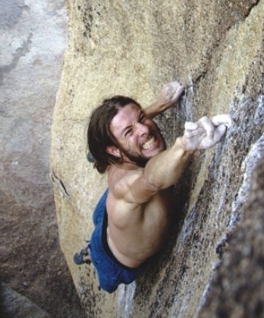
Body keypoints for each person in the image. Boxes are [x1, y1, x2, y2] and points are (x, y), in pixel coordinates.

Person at [74, 81, 232, 293]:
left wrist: (161, 104)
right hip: (112, 259)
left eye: (142, 117)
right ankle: (89, 255)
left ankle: (98, 155)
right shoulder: (127, 184)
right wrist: (184, 147)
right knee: (107, 279)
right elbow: (150, 180)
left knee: (129, 137)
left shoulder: (122, 153)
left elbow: (131, 123)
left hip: (111, 210)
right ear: (114, 150)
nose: (145, 129)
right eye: (129, 132)